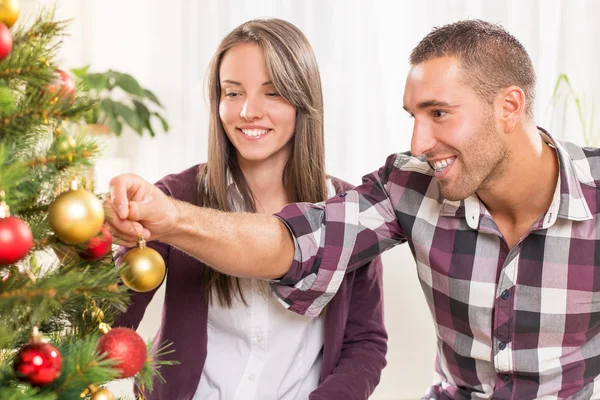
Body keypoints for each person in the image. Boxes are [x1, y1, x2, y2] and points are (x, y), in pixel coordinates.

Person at [107, 19, 600, 398]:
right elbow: (298, 243)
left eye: (439, 113)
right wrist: (171, 217)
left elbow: (365, 344)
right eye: (414, 116)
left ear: (509, 107)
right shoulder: (410, 187)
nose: (418, 142)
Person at [110, 18, 387, 400]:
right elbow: (109, 321)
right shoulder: (176, 196)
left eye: (272, 93)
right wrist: (92, 242)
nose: (248, 112)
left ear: (302, 100)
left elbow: (365, 343)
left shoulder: (347, 211)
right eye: (233, 93)